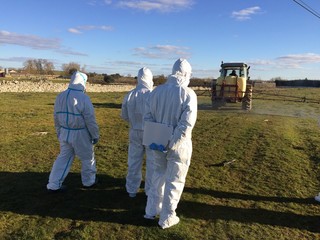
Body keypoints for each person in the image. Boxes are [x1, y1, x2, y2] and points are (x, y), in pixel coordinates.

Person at [144, 58, 198, 229]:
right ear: (187, 73)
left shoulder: (156, 92)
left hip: (157, 144)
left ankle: (151, 210)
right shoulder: (188, 93)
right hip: (179, 146)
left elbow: (147, 117)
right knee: (175, 181)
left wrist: (158, 139)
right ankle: (167, 217)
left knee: (157, 177)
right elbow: (186, 125)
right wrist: (172, 142)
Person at [47, 71, 99, 192]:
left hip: (65, 132)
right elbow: (90, 120)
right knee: (87, 158)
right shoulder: (83, 98)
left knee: (63, 158)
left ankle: (53, 184)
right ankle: (88, 182)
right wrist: (95, 135)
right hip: (80, 133)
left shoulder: (60, 96)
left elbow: (56, 116)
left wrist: (59, 132)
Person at [121, 67, 154, 198]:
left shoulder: (130, 95)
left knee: (134, 161)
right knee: (152, 162)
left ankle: (131, 190)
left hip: (134, 131)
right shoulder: (153, 94)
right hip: (151, 131)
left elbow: (124, 115)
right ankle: (150, 191)